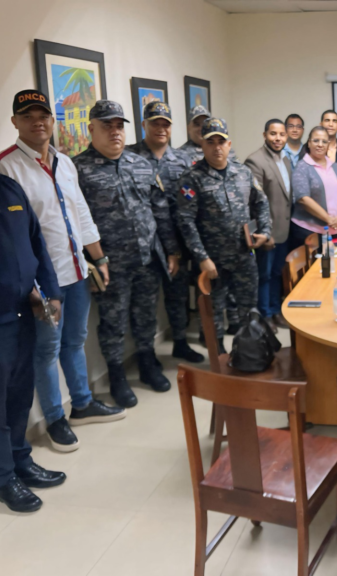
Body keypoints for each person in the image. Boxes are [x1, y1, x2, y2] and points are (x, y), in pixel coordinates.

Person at [0, 90, 125, 453]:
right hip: (41, 282)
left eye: (43, 115)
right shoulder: (6, 166)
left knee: (75, 341)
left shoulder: (65, 163)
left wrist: (99, 259)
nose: (38, 121)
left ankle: (81, 403)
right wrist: (32, 288)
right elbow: (12, 237)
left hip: (76, 270)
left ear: (53, 121)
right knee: (46, 351)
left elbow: (80, 213)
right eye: (28, 116)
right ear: (16, 122)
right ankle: (55, 418)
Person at [0, 114, 67, 512]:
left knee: (18, 396)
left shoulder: (5, 185)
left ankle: (21, 460)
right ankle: (2, 479)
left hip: (23, 314)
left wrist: (48, 291)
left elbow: (37, 246)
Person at [73, 101, 180, 408]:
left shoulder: (140, 164)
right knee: (113, 322)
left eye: (119, 126)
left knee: (146, 316)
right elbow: (76, 220)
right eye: (107, 125)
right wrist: (91, 262)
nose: (114, 132)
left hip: (147, 257)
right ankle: (117, 375)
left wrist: (171, 249)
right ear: (91, 128)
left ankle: (147, 364)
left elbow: (160, 211)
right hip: (109, 264)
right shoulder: (78, 169)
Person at [177, 118, 271, 350]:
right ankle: (217, 355)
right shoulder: (192, 178)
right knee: (213, 311)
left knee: (248, 306)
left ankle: (250, 351)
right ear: (203, 145)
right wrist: (202, 258)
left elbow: (261, 203)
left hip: (244, 253)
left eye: (221, 141)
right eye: (211, 142)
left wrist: (265, 231)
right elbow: (185, 221)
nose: (217, 147)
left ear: (229, 144)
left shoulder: (243, 172)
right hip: (212, 258)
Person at [127, 101, 204, 364]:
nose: (161, 128)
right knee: (144, 304)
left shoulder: (183, 160)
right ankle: (146, 355)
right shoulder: (130, 158)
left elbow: (192, 200)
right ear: (144, 125)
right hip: (145, 244)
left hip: (179, 241)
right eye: (155, 123)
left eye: (165, 124)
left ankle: (180, 342)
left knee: (178, 295)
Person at [245, 119, 293, 331]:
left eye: (282, 134)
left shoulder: (286, 160)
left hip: (284, 230)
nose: (278, 138)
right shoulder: (255, 161)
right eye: (273, 134)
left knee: (276, 273)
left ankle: (274, 311)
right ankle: (264, 314)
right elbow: (255, 201)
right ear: (265, 135)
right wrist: (265, 232)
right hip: (268, 233)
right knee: (264, 275)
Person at [288, 126, 337, 249]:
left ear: (328, 144)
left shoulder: (336, 167)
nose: (320, 145)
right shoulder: (302, 167)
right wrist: (328, 218)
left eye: (324, 141)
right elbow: (303, 198)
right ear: (309, 143)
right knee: (314, 268)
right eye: (316, 141)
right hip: (309, 231)